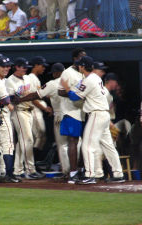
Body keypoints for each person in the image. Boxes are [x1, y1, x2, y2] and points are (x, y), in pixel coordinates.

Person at [60, 56, 125, 184]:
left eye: (80, 65)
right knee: (108, 146)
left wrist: (67, 87)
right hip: (104, 114)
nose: (79, 66)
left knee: (87, 145)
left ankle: (90, 175)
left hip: (96, 114)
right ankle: (118, 174)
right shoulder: (95, 78)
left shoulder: (89, 79)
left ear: (83, 67)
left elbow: (74, 97)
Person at [15, 62, 69, 175]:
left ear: (56, 73)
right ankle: (75, 170)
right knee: (75, 143)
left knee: (62, 145)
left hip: (60, 115)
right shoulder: (73, 81)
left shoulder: (53, 83)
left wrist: (20, 99)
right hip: (75, 115)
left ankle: (67, 171)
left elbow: (36, 95)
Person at [6, 57, 40, 179]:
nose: (25, 69)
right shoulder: (10, 80)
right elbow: (10, 99)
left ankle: (18, 169)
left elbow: (34, 94)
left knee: (22, 142)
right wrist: (23, 97)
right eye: (23, 67)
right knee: (28, 140)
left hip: (29, 111)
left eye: (26, 67)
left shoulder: (27, 78)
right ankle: (30, 170)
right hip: (19, 112)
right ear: (17, 67)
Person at [57, 48, 86, 184]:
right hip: (71, 111)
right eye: (81, 57)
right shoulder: (67, 72)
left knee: (83, 142)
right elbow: (60, 91)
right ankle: (73, 173)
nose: (83, 59)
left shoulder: (84, 73)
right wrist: (75, 94)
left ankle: (80, 170)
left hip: (83, 111)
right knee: (73, 141)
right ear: (75, 58)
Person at [0, 57, 21, 183]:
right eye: (3, 66)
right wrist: (9, 102)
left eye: (8, 66)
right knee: (8, 145)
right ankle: (9, 174)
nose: (7, 68)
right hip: (1, 115)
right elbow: (3, 100)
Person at [28, 56, 52, 158]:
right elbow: (32, 98)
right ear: (36, 65)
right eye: (42, 66)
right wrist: (45, 108)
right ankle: (31, 161)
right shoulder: (30, 78)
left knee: (41, 136)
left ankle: (34, 162)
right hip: (33, 110)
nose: (44, 68)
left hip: (37, 109)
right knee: (39, 134)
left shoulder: (35, 78)